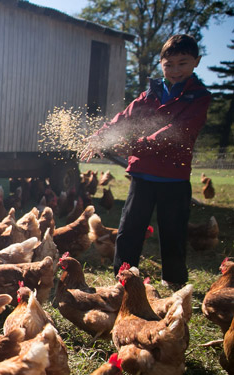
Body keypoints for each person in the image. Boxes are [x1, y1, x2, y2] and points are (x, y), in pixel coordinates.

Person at [82, 34, 212, 287]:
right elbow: (124, 117)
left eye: (182, 63)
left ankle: (173, 281)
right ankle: (124, 278)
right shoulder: (151, 93)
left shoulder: (198, 97)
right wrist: (99, 137)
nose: (175, 70)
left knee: (173, 232)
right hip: (142, 175)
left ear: (196, 62)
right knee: (129, 230)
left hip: (174, 177)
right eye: (169, 64)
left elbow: (176, 132)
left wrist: (133, 145)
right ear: (161, 64)